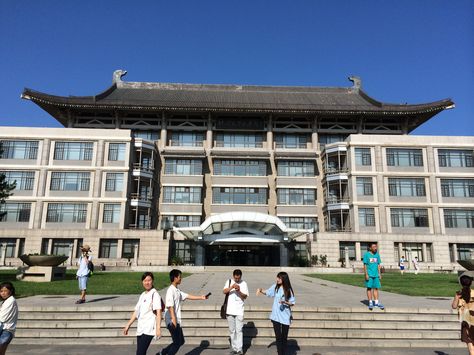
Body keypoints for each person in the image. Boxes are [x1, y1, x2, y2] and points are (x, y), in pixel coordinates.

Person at [159, 269, 209, 355]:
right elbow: (169, 306)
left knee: (181, 341)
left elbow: (187, 296)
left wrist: (201, 297)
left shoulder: (177, 290)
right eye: (179, 277)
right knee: (177, 343)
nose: (181, 278)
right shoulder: (170, 290)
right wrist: (173, 320)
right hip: (172, 320)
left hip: (176, 320)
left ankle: (163, 352)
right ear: (175, 278)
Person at [123, 272, 162, 355]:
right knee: (140, 352)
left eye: (149, 280)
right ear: (142, 282)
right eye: (145, 281)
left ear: (152, 281)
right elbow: (136, 311)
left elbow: (159, 312)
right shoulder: (143, 295)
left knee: (140, 353)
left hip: (149, 329)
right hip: (140, 328)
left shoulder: (155, 294)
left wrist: (158, 328)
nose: (147, 282)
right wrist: (128, 325)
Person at [256, 272, 295, 355]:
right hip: (275, 316)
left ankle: (283, 352)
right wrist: (261, 290)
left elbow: (292, 303)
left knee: (284, 337)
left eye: (279, 278)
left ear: (284, 279)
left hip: (285, 316)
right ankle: (280, 353)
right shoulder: (275, 287)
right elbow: (268, 292)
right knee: (278, 337)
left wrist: (285, 302)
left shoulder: (288, 290)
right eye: (277, 277)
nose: (277, 279)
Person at [223, 269, 249, 355]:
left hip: (239, 310)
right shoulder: (229, 281)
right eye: (235, 278)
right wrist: (232, 287)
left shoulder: (244, 283)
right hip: (230, 310)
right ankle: (234, 348)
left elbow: (245, 296)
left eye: (238, 278)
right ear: (233, 276)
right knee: (232, 330)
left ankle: (239, 348)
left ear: (241, 276)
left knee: (239, 330)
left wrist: (239, 291)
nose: (237, 280)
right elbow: (224, 291)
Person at [452, 274, 474, 355]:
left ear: (461, 283)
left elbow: (454, 306)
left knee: (470, 344)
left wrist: (457, 298)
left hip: (466, 322)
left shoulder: (458, 293)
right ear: (471, 283)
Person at [363, 242, 384, 310]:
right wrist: (366, 274)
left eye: (376, 246)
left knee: (376, 288)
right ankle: (370, 302)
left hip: (376, 275)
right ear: (370, 248)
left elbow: (378, 265)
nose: (375, 248)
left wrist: (379, 274)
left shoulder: (377, 255)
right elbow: (365, 265)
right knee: (369, 288)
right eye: (374, 247)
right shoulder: (366, 255)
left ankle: (376, 303)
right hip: (369, 274)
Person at [0, 282, 18, 355]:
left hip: (6, 330)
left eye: (5, 291)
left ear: (10, 291)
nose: (3, 293)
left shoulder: (10, 301)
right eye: (1, 291)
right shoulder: (5, 301)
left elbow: (2, 318)